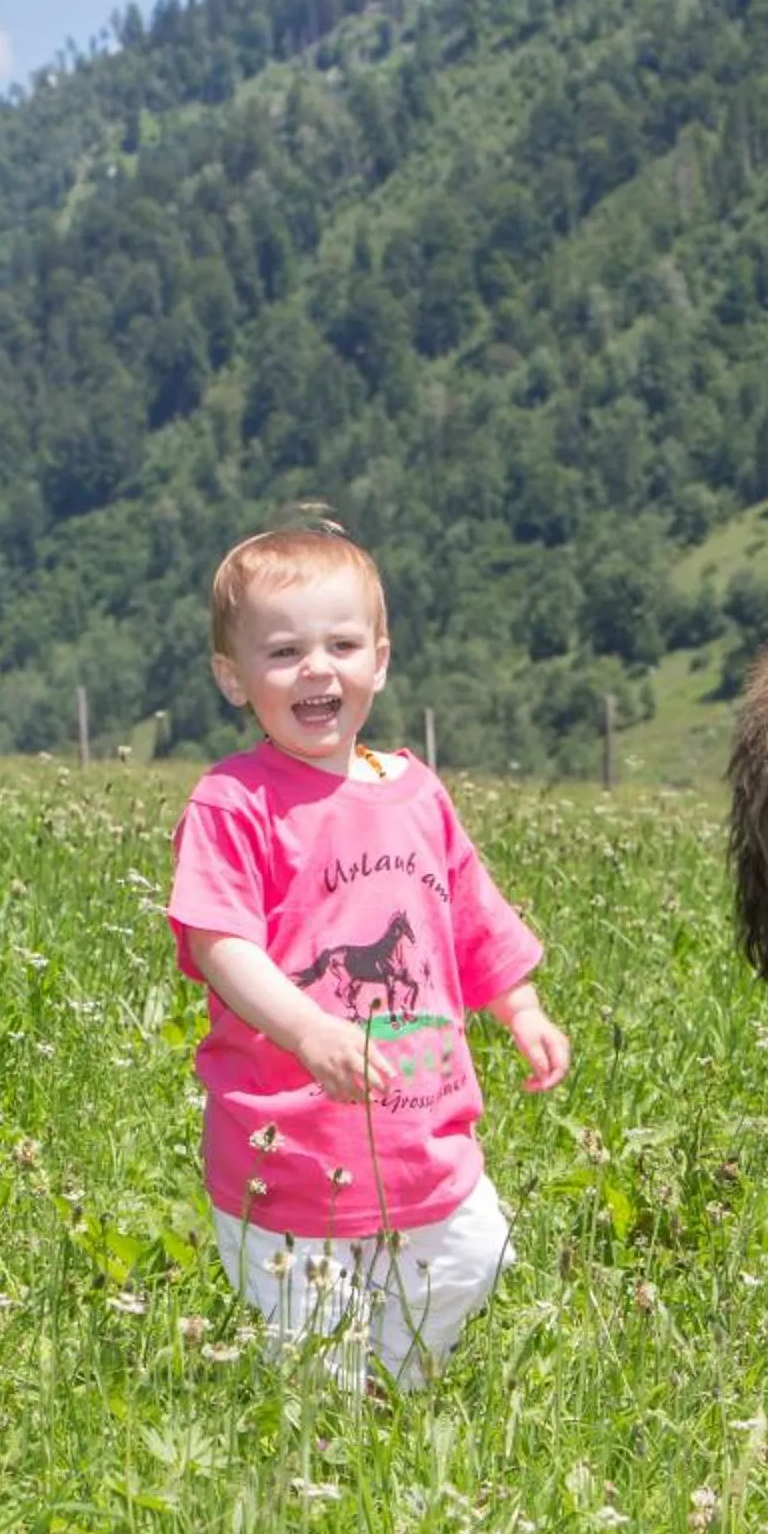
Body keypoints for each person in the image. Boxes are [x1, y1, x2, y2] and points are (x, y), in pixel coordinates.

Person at [166, 524, 570, 1393]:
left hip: (421, 1129)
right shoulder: (235, 801)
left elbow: (472, 914)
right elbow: (217, 939)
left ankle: (396, 1380)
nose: (318, 668)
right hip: (288, 1149)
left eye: (341, 645)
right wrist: (308, 1027)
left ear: (379, 661)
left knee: (478, 1250)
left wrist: (522, 1007)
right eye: (283, 651)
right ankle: (347, 1444)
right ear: (233, 678)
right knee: (320, 1355)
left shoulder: (418, 792)